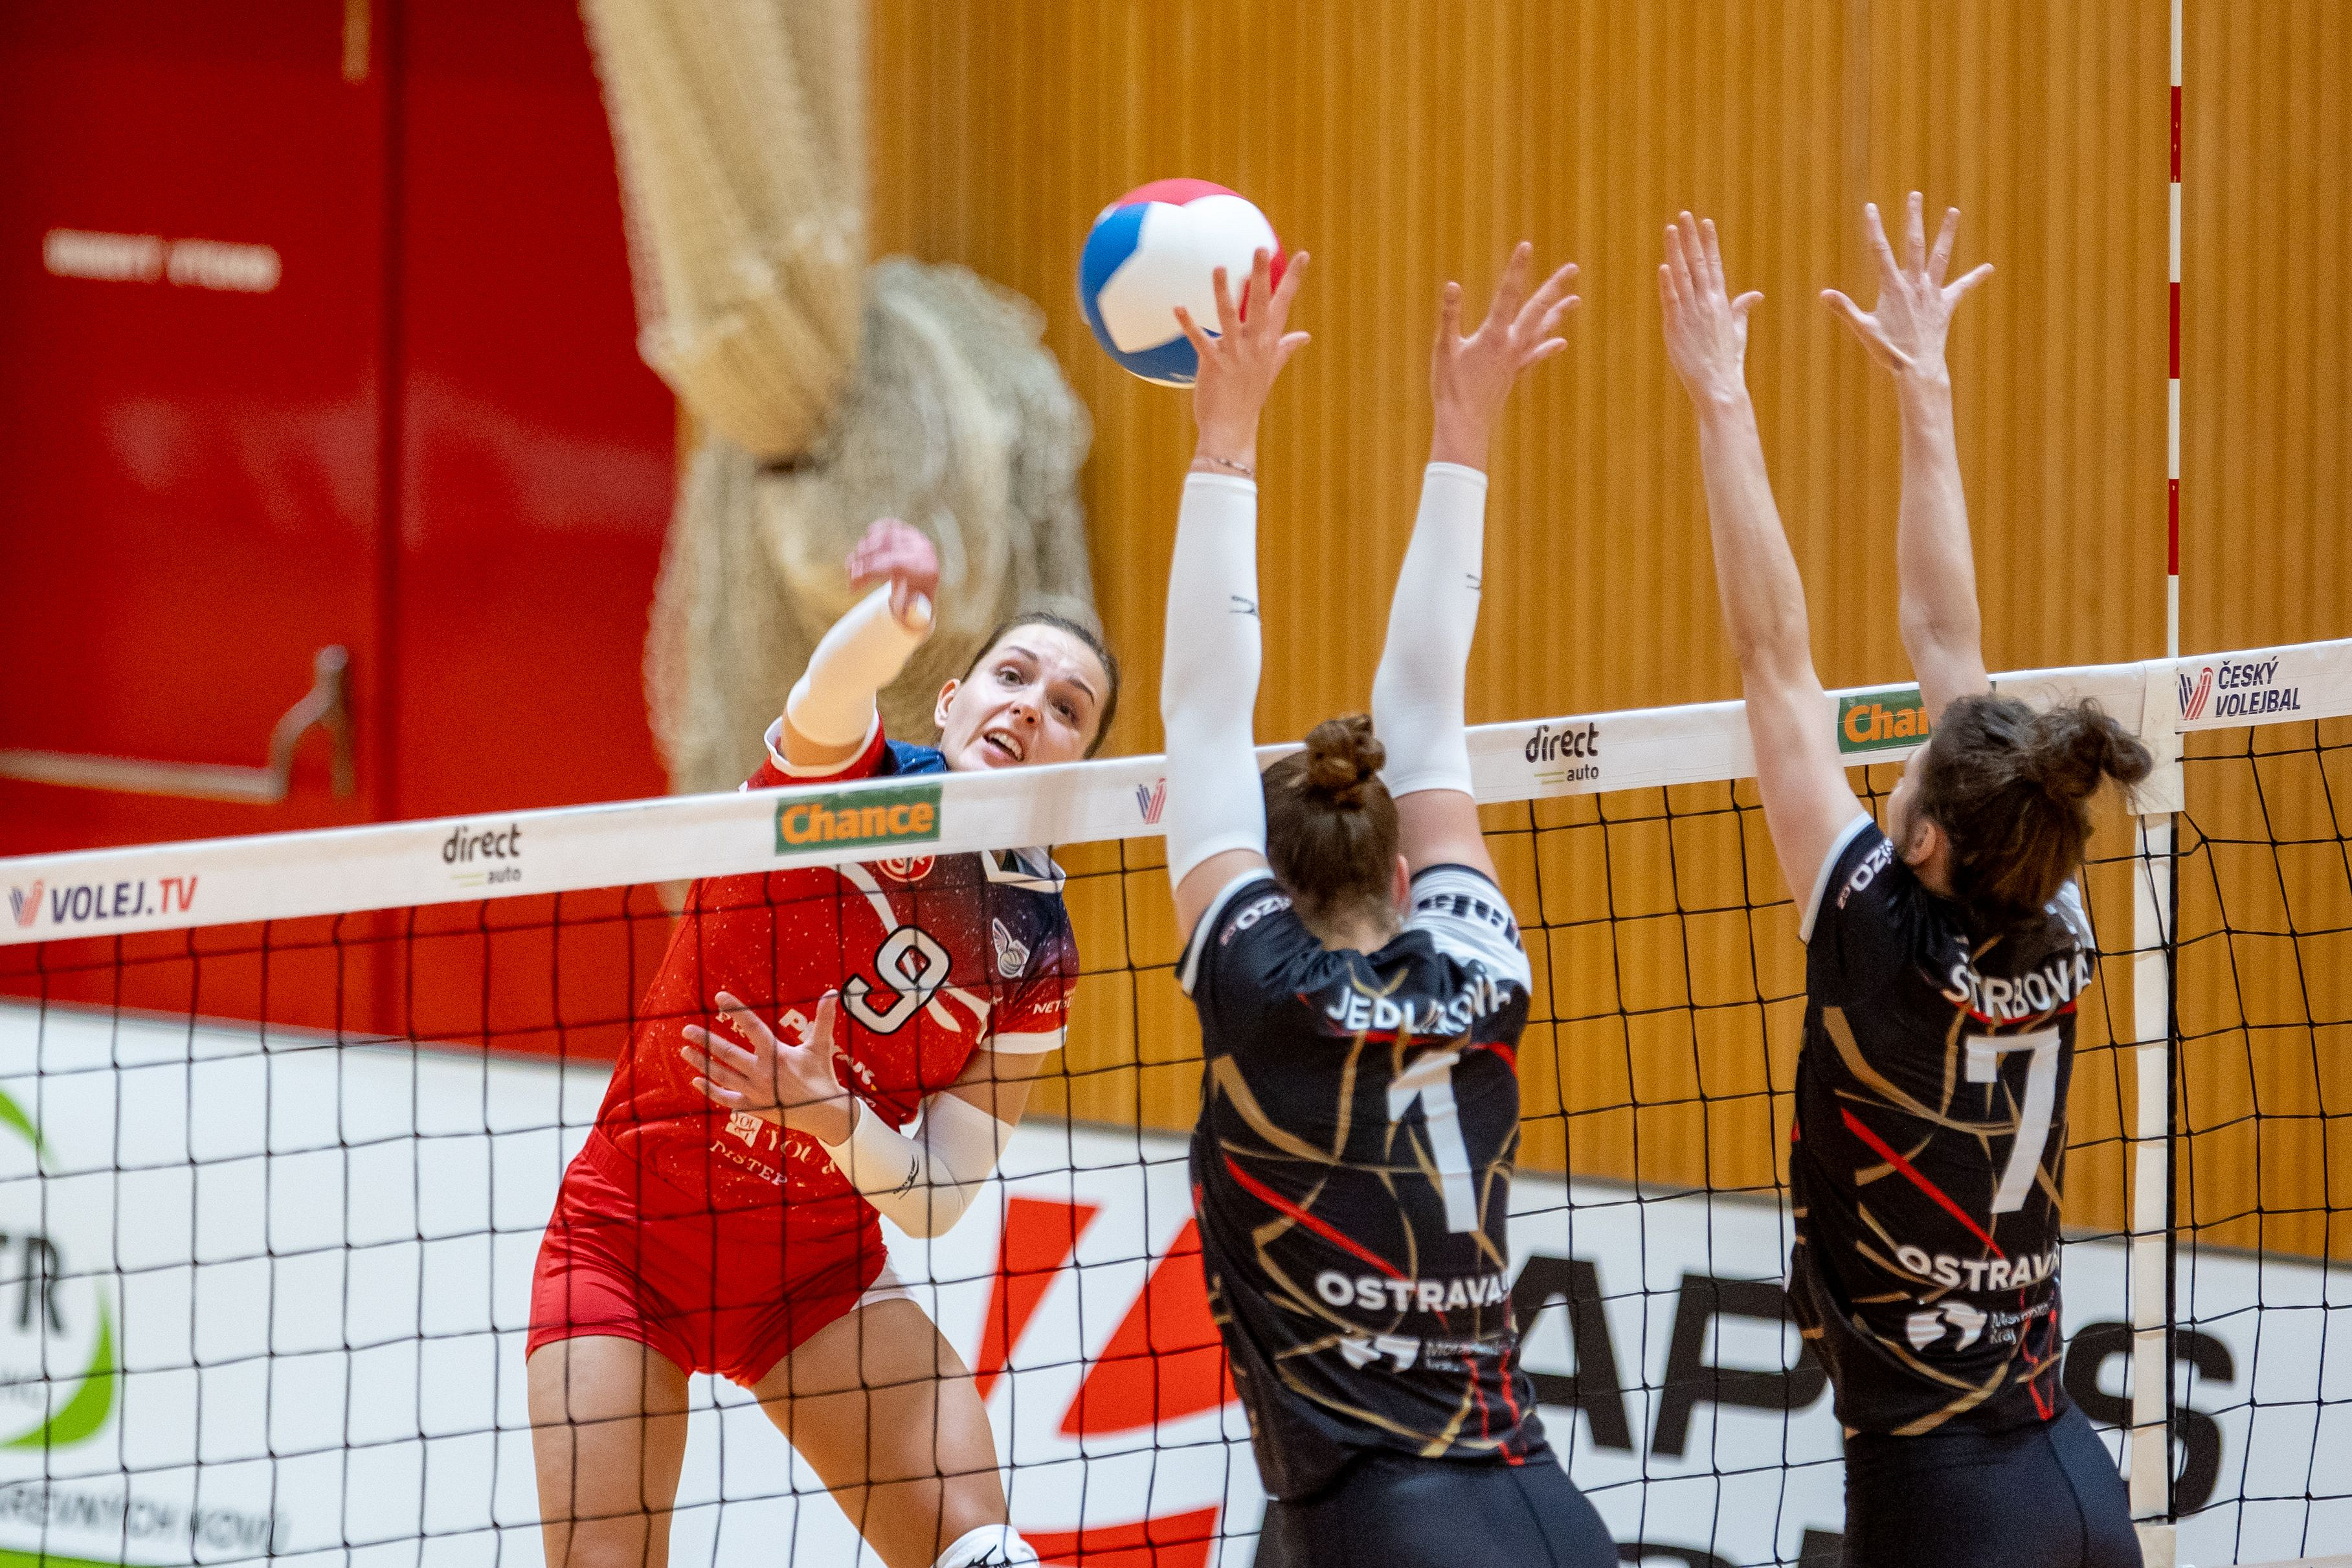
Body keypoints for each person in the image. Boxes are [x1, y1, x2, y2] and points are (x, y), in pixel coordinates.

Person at [1658, 196, 2149, 1568]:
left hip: (1944, 1499)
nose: (1908, 753)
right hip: (2073, 1474)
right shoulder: (2051, 903)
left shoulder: (1876, 931)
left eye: (1916, 767)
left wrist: (1718, 398)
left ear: (1926, 837)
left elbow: (1774, 656)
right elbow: (1946, 637)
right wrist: (1921, 388)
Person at [526, 521, 1119, 1568]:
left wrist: (830, 1118)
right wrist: (896, 614)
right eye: (1011, 676)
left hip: (816, 1281)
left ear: (1079, 771)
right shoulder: (847, 785)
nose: (1031, 705)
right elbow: (832, 689)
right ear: (951, 701)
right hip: (627, 1242)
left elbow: (938, 1195)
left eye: (1067, 707)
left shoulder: (1038, 951)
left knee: (984, 1553)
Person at [1157, 242, 1617, 1568]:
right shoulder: (1483, 968)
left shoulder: (1260, 988)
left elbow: (1203, 707)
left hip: (1381, 1529)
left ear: (1263, 882)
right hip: (1548, 1509)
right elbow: (1420, 710)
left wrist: (1224, 436)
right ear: (1405, 880)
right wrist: (1461, 432)